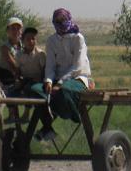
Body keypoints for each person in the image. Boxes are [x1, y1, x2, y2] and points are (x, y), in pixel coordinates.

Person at [29, 8, 92, 143]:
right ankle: (47, 127)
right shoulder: (52, 41)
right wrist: (49, 81)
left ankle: (74, 116)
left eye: (63, 20)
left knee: (64, 91)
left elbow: (77, 66)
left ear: (68, 20)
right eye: (57, 21)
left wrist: (60, 83)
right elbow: (50, 65)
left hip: (77, 78)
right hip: (57, 81)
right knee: (35, 90)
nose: (60, 24)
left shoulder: (78, 38)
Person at [0, 16, 23, 86]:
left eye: (18, 29)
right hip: (2, 74)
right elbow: (14, 66)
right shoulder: (5, 47)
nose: (16, 31)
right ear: (7, 31)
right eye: (13, 29)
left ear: (21, 31)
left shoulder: (24, 46)